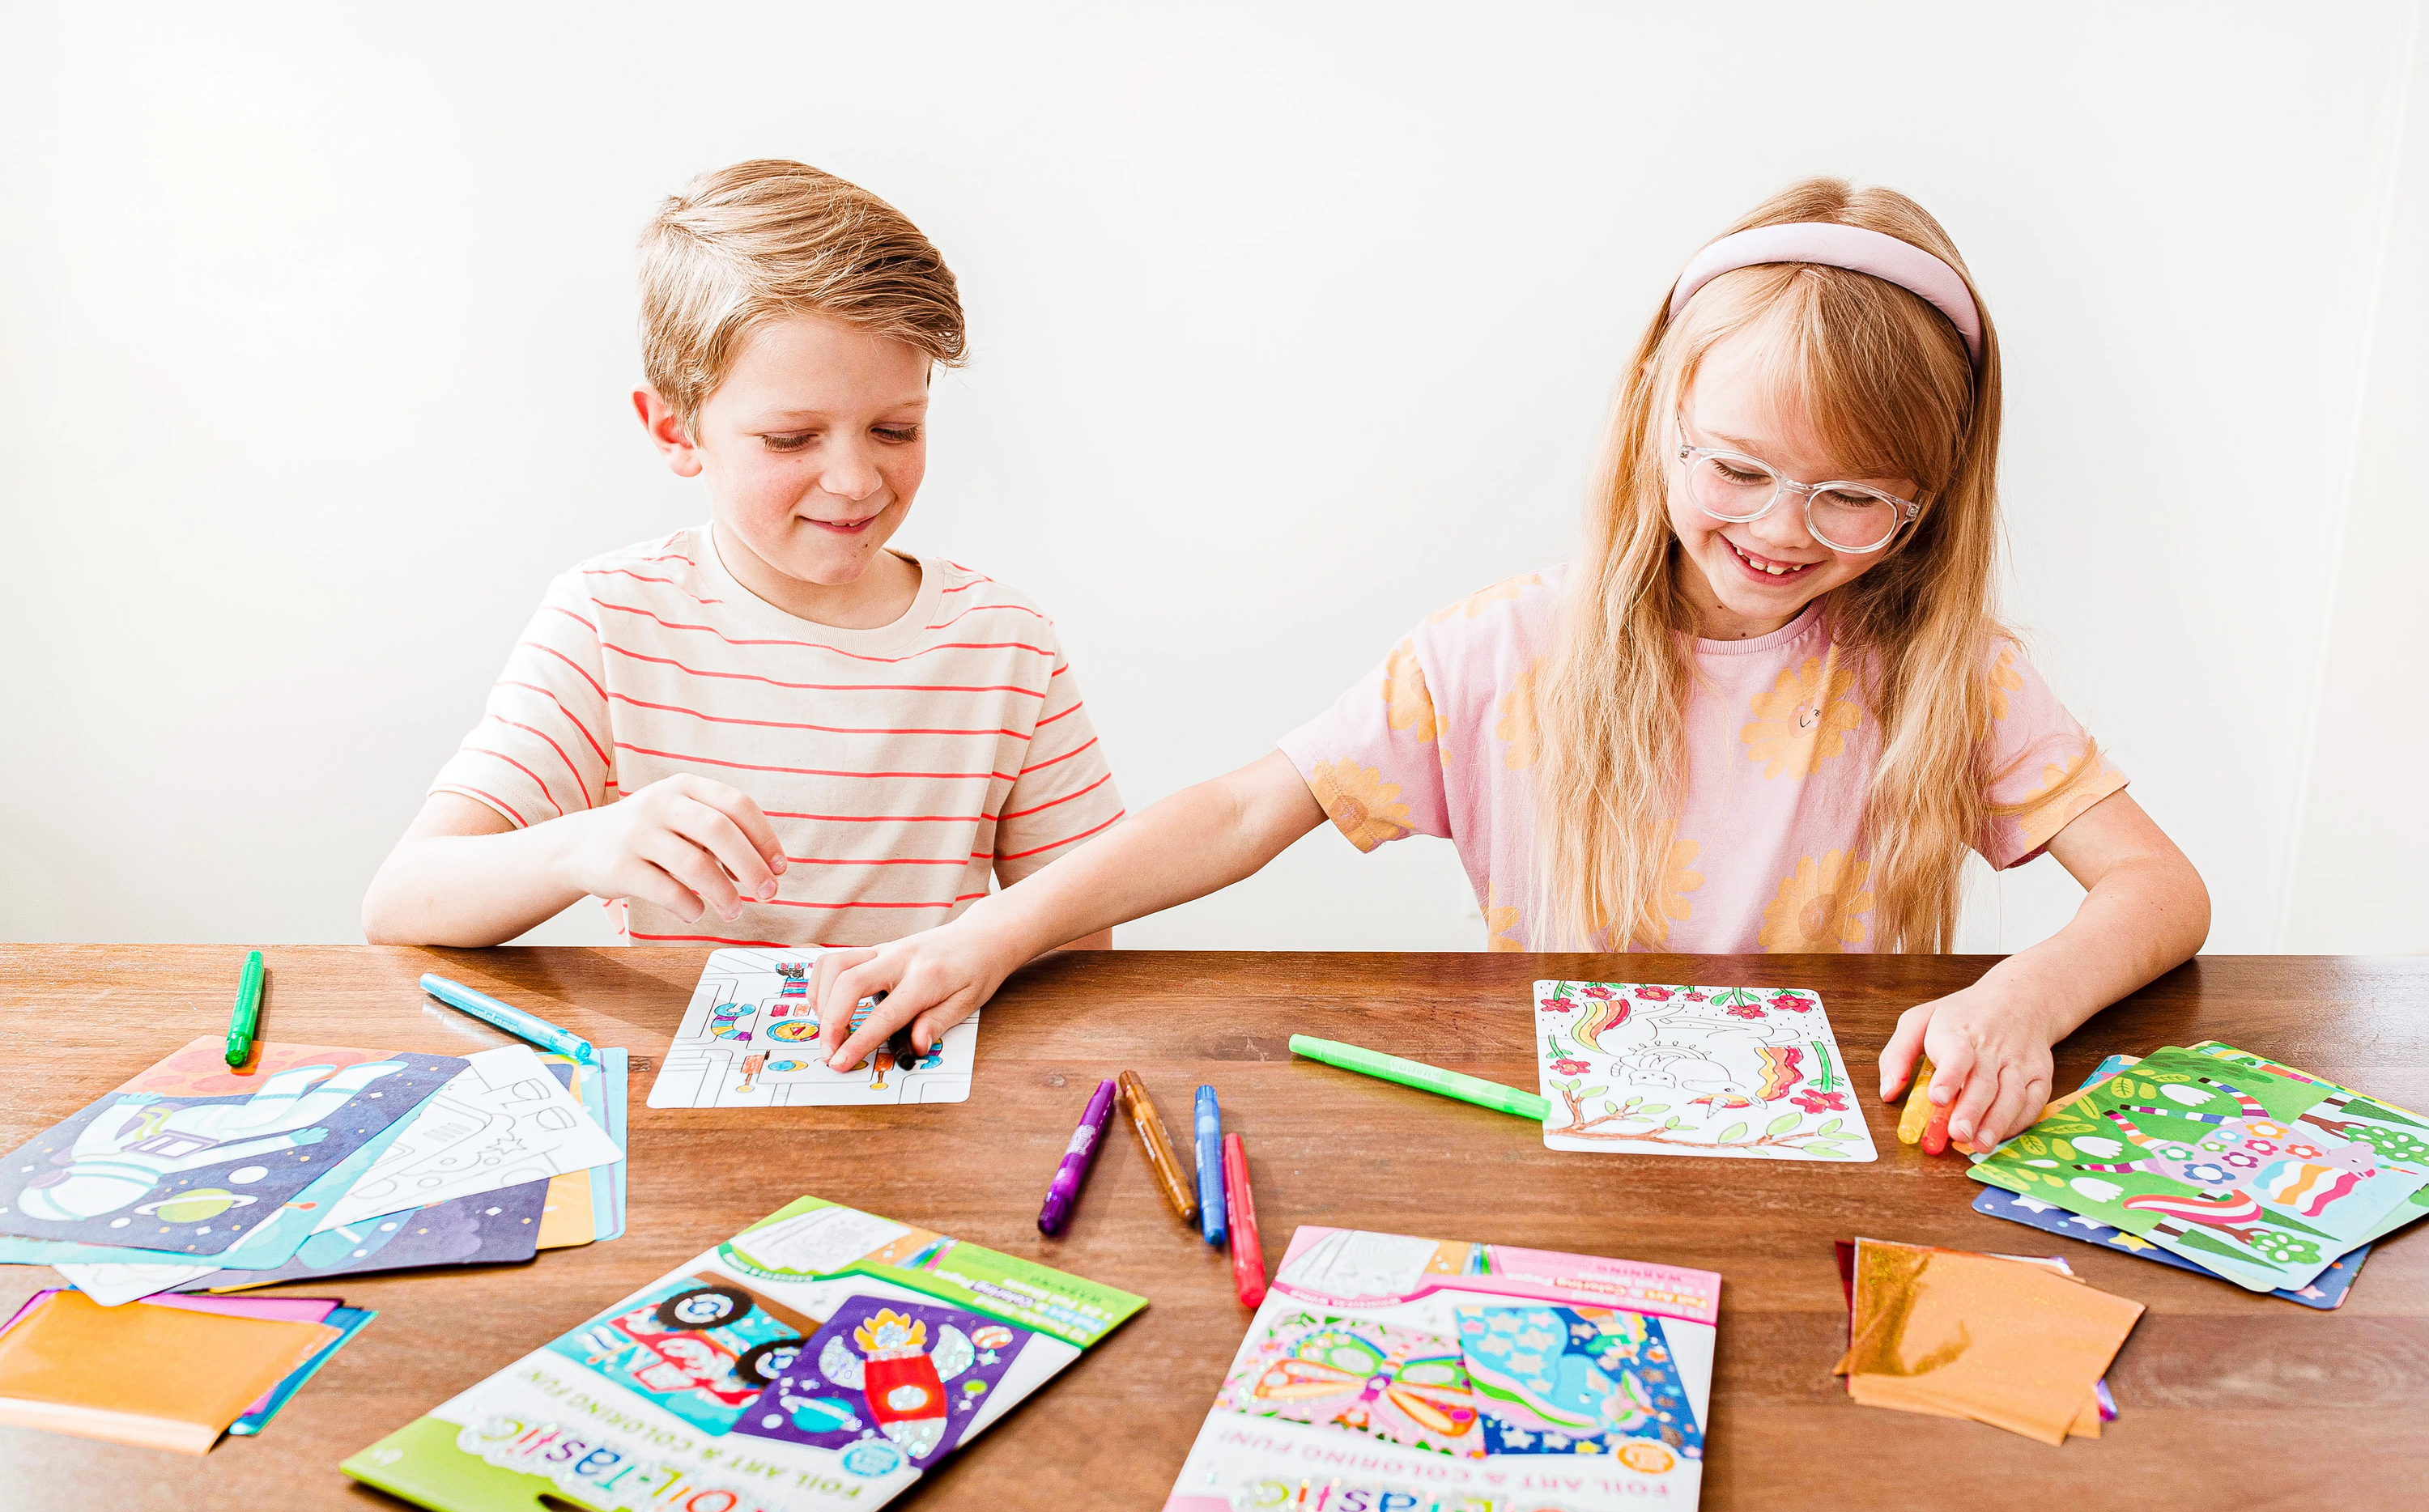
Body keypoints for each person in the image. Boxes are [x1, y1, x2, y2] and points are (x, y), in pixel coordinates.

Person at [808, 177, 2210, 1151]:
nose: (1783, 531)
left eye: (1857, 499)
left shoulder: (1948, 676)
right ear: (1659, 415)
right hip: (1559, 1148)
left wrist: (2022, 1000)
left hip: (1836, 1161)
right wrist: (990, 931)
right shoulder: (1508, 651)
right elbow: (1247, 809)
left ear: (1935, 498)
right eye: (1738, 468)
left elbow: (2159, 888)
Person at [362, 159, 1123, 949]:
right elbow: (401, 901)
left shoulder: (1006, 642)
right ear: (674, 429)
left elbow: (1081, 939)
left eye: (896, 429)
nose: (856, 480)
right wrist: (582, 847)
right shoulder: (610, 620)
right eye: (791, 438)